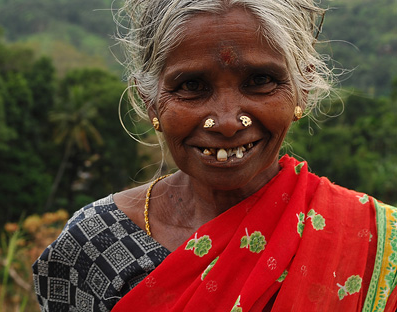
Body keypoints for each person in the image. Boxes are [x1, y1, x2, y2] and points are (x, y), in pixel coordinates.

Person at [32, 0, 397, 311]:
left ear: (302, 87)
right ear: (150, 100)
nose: (226, 122)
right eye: (192, 86)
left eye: (259, 81)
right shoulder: (94, 245)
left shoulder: (377, 244)